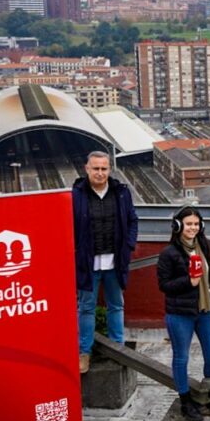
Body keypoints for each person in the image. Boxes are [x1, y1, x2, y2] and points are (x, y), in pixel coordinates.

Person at [156, 206, 210, 421]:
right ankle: (185, 401)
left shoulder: (209, 247)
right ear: (178, 226)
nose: (192, 228)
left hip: (207, 311)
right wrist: (188, 282)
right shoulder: (169, 253)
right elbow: (164, 285)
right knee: (181, 357)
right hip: (181, 314)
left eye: (196, 224)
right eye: (188, 224)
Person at [72, 151, 138, 373]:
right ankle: (85, 353)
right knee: (86, 308)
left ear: (110, 170)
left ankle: (117, 347)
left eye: (104, 168)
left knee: (116, 305)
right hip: (87, 263)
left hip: (114, 262)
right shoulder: (76, 195)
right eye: (96, 168)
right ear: (87, 169)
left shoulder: (121, 193)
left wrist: (128, 246)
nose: (100, 173)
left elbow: (132, 221)